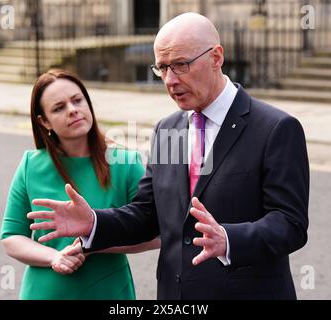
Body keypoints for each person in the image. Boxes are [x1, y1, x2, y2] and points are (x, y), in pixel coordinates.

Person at [28, 13, 309, 300]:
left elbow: (290, 223)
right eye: (162, 68)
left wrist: (229, 240)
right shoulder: (167, 128)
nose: (170, 80)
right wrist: (94, 222)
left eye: (180, 65)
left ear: (216, 57)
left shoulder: (276, 129)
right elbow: (148, 213)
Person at [0, 69, 160, 300]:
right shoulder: (30, 166)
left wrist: (94, 241)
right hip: (44, 293)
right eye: (59, 107)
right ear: (44, 121)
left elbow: (158, 233)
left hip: (108, 292)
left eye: (77, 100)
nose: (73, 110)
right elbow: (11, 237)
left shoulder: (125, 163)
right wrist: (54, 257)